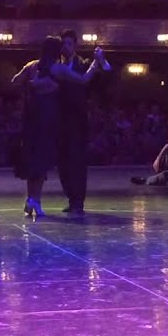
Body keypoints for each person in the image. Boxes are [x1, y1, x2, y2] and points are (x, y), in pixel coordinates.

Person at [11, 37, 99, 217]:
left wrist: (32, 85)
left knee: (32, 157)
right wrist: (96, 63)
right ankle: (35, 200)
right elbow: (83, 80)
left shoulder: (32, 65)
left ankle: (32, 198)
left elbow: (15, 81)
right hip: (48, 117)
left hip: (31, 116)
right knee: (41, 160)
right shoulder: (58, 68)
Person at [54, 29, 110, 216]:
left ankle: (78, 201)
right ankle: (71, 198)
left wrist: (101, 61)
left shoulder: (84, 64)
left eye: (69, 43)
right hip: (59, 121)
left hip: (78, 121)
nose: (65, 47)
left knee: (77, 163)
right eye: (63, 44)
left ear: (75, 46)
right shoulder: (55, 66)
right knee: (62, 164)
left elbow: (104, 78)